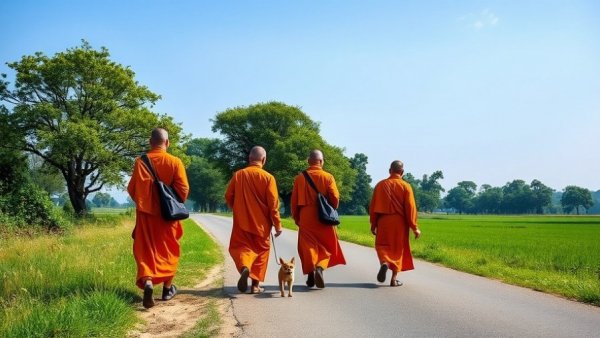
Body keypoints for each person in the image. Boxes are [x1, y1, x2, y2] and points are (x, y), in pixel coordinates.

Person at [127, 128, 189, 308]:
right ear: (167, 143)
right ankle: (167, 288)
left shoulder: (140, 162)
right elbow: (183, 189)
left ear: (150, 142)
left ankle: (147, 281)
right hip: (168, 216)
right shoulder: (175, 162)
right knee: (169, 250)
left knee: (146, 250)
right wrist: (170, 202)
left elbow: (132, 189)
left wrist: (146, 202)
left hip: (146, 216)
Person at [225, 146, 283, 294]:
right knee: (261, 253)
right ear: (263, 160)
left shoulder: (238, 175)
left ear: (249, 159)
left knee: (241, 248)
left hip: (241, 223)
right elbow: (273, 204)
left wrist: (237, 208)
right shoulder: (268, 178)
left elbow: (228, 196)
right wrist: (277, 225)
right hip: (262, 225)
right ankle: (255, 286)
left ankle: (245, 267)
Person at [291, 149, 346, 288]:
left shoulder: (300, 178)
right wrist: (330, 209)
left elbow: (294, 201)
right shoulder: (328, 177)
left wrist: (297, 218)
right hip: (323, 216)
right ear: (321, 162)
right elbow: (335, 198)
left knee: (308, 246)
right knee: (327, 246)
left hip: (306, 215)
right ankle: (320, 267)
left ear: (308, 161)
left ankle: (311, 274)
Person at [369, 160, 421, 287]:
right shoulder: (405, 186)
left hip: (383, 221)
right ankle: (393, 279)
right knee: (398, 250)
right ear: (402, 172)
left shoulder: (380, 185)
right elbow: (410, 208)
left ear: (389, 170)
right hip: (400, 223)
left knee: (382, 246)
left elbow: (373, 207)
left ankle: (385, 263)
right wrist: (415, 227)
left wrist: (373, 223)